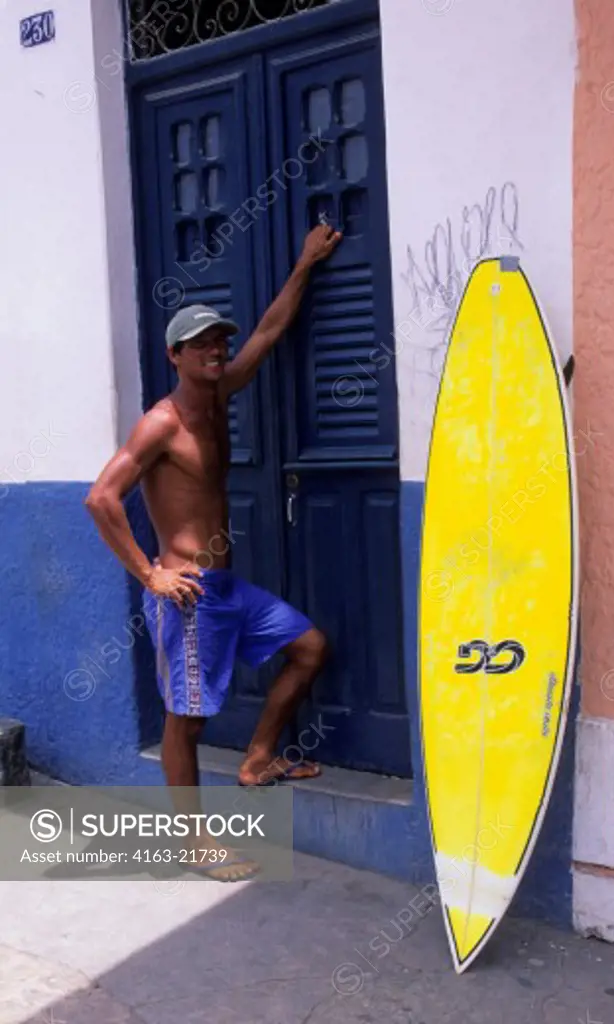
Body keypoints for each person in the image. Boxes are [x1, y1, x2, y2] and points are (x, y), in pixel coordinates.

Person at [86, 223, 342, 880]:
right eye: (201, 343)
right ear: (174, 354)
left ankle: (258, 758)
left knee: (309, 648)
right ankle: (193, 842)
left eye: (218, 341)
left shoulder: (219, 396)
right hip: (189, 595)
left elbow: (267, 333)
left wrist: (305, 262)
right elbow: (101, 498)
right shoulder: (161, 423)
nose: (216, 349)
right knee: (187, 721)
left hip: (227, 589)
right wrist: (150, 575)